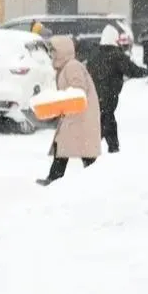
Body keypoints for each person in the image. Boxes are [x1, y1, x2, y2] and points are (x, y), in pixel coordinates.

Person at [37, 36, 101, 185]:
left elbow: (78, 89)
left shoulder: (72, 66)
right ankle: (55, 177)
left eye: (54, 51)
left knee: (74, 147)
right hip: (75, 114)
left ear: (62, 51)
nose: (51, 55)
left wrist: (60, 100)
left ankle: (57, 178)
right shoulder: (66, 66)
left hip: (81, 115)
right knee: (69, 147)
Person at [86, 24, 148, 153]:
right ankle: (106, 148)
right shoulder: (116, 55)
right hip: (109, 93)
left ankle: (103, 146)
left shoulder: (94, 53)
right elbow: (131, 70)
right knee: (107, 120)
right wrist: (146, 72)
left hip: (94, 93)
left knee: (103, 118)